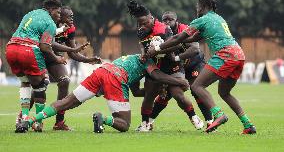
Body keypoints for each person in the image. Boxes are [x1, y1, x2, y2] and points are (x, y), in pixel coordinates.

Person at [146, 0, 256, 134]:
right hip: (239, 55)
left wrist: (158, 48)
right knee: (224, 92)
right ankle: (248, 125)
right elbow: (193, 38)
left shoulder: (202, 20)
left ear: (203, 6)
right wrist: (173, 44)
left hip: (225, 54)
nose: (196, 8)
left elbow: (180, 37)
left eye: (197, 6)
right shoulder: (218, 18)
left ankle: (218, 115)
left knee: (197, 87)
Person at [15, 54, 189, 133]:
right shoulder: (149, 60)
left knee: (67, 102)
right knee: (124, 124)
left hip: (102, 70)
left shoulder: (134, 57)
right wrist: (179, 81)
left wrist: (155, 90)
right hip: (115, 78)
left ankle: (29, 120)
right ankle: (102, 119)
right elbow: (156, 74)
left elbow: (136, 91)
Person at [127, 1, 203, 132]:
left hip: (173, 66)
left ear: (151, 18)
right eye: (139, 24)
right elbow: (142, 45)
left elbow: (177, 45)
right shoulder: (142, 31)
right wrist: (144, 54)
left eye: (145, 23)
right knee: (149, 95)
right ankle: (145, 124)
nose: (142, 26)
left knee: (177, 94)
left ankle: (194, 117)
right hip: (156, 67)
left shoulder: (163, 29)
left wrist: (157, 49)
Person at [5, 0, 65, 132]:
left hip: (11, 48)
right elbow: (44, 46)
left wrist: (61, 29)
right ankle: (38, 123)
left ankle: (24, 118)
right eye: (58, 13)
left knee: (25, 82)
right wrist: (57, 58)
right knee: (42, 84)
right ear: (51, 9)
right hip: (28, 50)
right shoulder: (49, 22)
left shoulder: (30, 13)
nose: (59, 16)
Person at [149, 11, 213, 129]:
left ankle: (210, 122)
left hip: (194, 63)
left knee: (196, 89)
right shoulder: (161, 33)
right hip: (178, 66)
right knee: (167, 94)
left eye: (170, 19)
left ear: (176, 21)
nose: (167, 22)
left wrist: (177, 58)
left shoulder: (184, 28)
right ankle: (149, 122)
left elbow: (195, 49)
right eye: (165, 20)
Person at [45, 6, 102, 131]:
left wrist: (89, 60)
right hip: (41, 55)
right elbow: (50, 44)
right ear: (61, 16)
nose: (72, 18)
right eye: (69, 16)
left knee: (65, 80)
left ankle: (59, 122)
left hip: (55, 59)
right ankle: (25, 116)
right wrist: (72, 49)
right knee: (40, 85)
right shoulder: (51, 24)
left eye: (72, 16)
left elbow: (73, 53)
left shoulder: (70, 29)